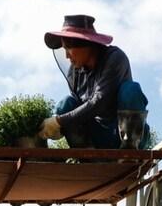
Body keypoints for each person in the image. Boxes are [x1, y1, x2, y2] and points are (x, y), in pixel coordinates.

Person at [38, 15, 148, 149]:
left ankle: (129, 151)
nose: (67, 56)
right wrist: (58, 125)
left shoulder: (115, 58)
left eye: (68, 48)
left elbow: (99, 101)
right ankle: (87, 156)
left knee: (131, 90)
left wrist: (60, 121)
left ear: (85, 44)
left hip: (123, 132)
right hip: (97, 136)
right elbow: (75, 111)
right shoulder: (75, 73)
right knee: (65, 104)